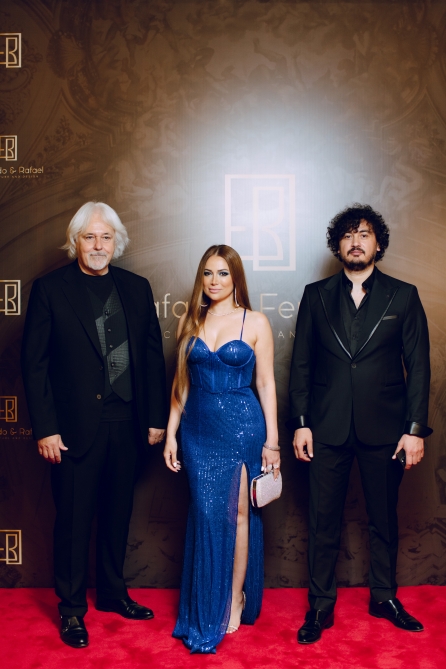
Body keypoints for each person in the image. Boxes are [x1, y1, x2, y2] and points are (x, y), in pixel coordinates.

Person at [21, 202, 167, 648]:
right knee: (72, 520)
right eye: (89, 237)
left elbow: (151, 357)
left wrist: (156, 418)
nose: (98, 245)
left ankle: (112, 593)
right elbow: (34, 364)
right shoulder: (50, 289)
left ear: (116, 242)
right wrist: (45, 428)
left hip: (127, 424)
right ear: (75, 242)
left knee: (117, 514)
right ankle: (70, 610)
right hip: (72, 430)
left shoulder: (136, 288)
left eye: (106, 237)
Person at [288, 204, 432, 644]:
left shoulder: (403, 295)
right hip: (326, 427)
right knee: (322, 521)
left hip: (386, 431)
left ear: (378, 244)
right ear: (338, 245)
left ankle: (384, 597)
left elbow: (419, 367)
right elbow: (301, 364)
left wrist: (414, 429)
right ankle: (320, 605)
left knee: (383, 520)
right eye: (348, 234)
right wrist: (301, 423)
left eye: (364, 234)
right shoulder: (316, 295)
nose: (356, 241)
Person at [163, 244, 279, 654]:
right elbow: (181, 384)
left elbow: (266, 383)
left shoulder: (255, 321)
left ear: (236, 278)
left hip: (243, 428)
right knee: (206, 513)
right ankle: (206, 599)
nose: (215, 281)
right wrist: (172, 434)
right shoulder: (190, 320)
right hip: (197, 430)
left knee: (239, 514)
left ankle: (234, 597)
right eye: (208, 273)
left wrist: (272, 441)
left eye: (223, 273)